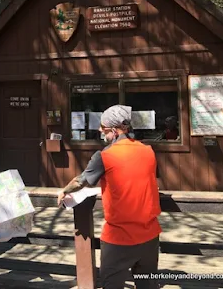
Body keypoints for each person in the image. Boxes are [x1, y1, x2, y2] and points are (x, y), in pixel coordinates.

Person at [57, 105, 161, 289]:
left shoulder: (105, 156)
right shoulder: (148, 151)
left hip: (119, 238)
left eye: (103, 128)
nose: (100, 131)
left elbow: (81, 181)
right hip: (150, 235)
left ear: (114, 130)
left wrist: (64, 190)